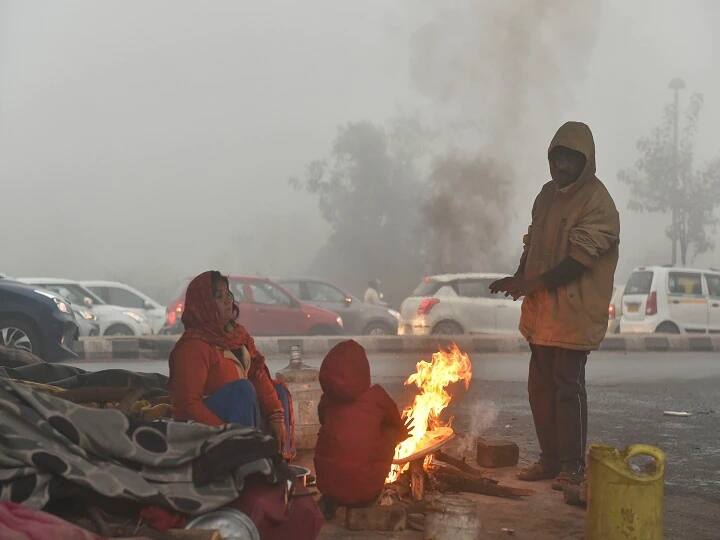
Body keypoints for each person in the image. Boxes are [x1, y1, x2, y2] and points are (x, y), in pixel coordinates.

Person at [490, 121, 620, 490]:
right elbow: (532, 244)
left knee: (567, 386)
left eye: (569, 159)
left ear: (586, 162)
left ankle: (572, 467)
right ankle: (549, 460)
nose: (560, 166)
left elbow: (579, 260)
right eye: (556, 157)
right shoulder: (546, 195)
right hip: (542, 314)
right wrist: (518, 278)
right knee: (540, 388)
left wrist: (531, 284)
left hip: (575, 314)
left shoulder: (598, 201)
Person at [168, 271, 293, 457]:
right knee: (242, 390)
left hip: (242, 415)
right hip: (208, 427)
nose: (227, 300)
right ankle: (245, 462)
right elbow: (187, 405)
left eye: (228, 294)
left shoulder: (237, 336)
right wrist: (226, 432)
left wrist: (276, 416)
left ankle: (277, 461)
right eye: (219, 296)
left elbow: (258, 374)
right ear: (204, 305)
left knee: (279, 393)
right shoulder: (192, 346)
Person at [313, 340, 407, 518]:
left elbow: (323, 420)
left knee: (329, 431)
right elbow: (396, 425)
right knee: (389, 431)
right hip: (365, 492)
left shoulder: (327, 400)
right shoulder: (377, 397)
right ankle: (363, 500)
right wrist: (398, 435)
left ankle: (332, 500)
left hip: (328, 487)